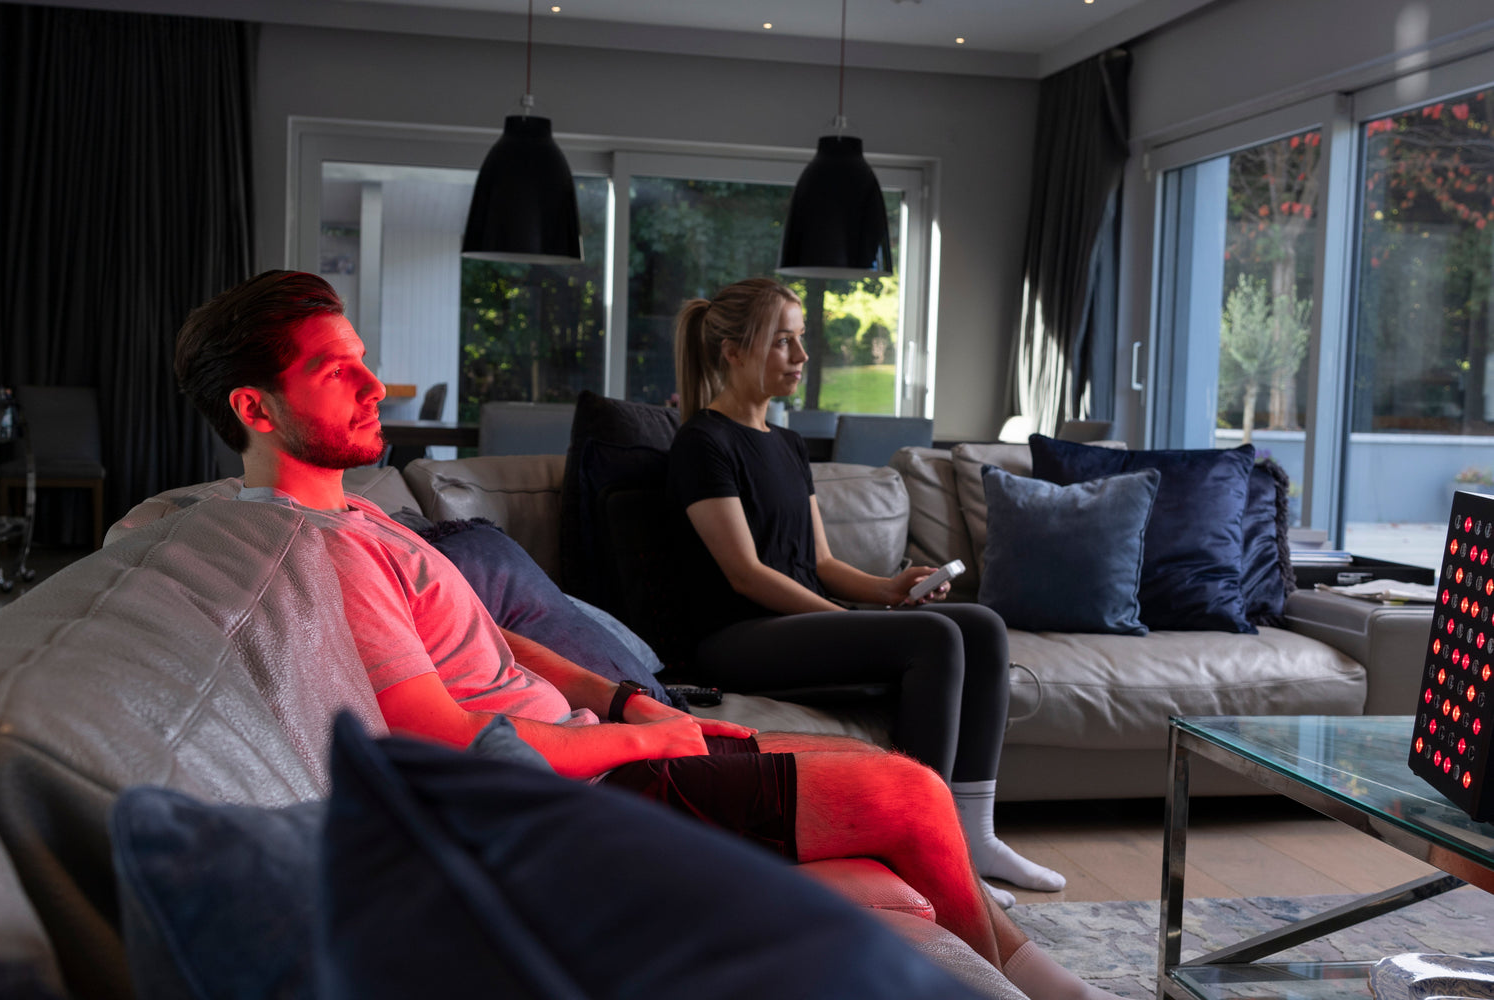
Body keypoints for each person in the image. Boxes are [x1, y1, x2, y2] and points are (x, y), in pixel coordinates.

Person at [173, 270, 1119, 1000]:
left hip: (594, 745)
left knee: (888, 790)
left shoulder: (365, 518)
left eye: (361, 357)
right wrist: (640, 741)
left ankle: (1040, 974)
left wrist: (625, 701)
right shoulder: (317, 549)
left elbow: (496, 641)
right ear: (255, 409)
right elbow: (444, 738)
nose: (376, 383)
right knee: (906, 794)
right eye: (335, 371)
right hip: (572, 792)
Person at [668, 277, 1063, 904]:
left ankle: (976, 836)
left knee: (981, 625)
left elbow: (821, 561)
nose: (801, 356)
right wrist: (842, 619)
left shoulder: (787, 445)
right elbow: (745, 572)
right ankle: (924, 846)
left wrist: (888, 591)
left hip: (795, 627)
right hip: (735, 638)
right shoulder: (702, 444)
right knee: (933, 639)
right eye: (783, 342)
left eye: (800, 340)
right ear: (733, 351)